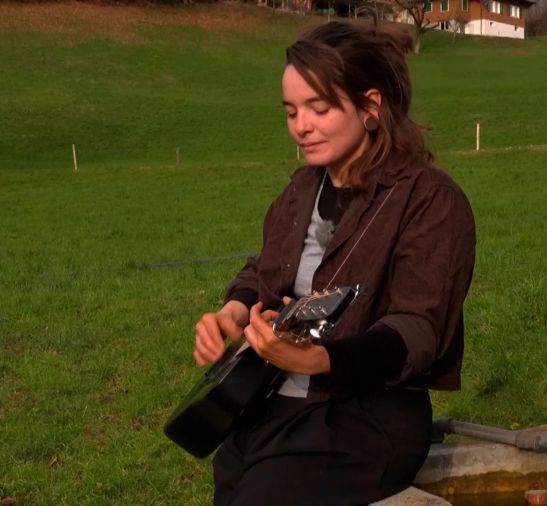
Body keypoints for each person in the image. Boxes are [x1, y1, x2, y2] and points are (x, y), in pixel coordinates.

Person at [192, 20, 476, 506]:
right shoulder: (303, 190)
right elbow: (263, 266)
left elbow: (416, 330)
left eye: (318, 108)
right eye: (291, 112)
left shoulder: (430, 201)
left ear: (370, 106)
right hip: (268, 405)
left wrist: (319, 359)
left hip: (361, 418)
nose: (301, 126)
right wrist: (234, 313)